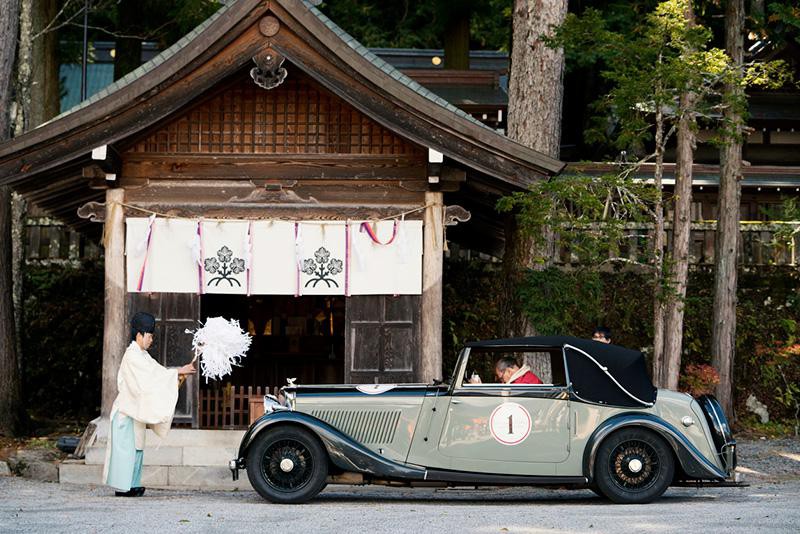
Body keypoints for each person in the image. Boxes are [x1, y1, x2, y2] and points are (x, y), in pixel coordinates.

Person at [103, 312, 196, 497]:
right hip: (126, 412)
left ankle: (133, 484)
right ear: (139, 335)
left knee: (136, 449)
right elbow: (151, 380)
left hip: (134, 412)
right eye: (150, 335)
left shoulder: (143, 356)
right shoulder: (132, 356)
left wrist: (178, 376)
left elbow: (158, 374)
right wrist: (177, 372)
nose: (152, 339)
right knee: (127, 451)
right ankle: (124, 487)